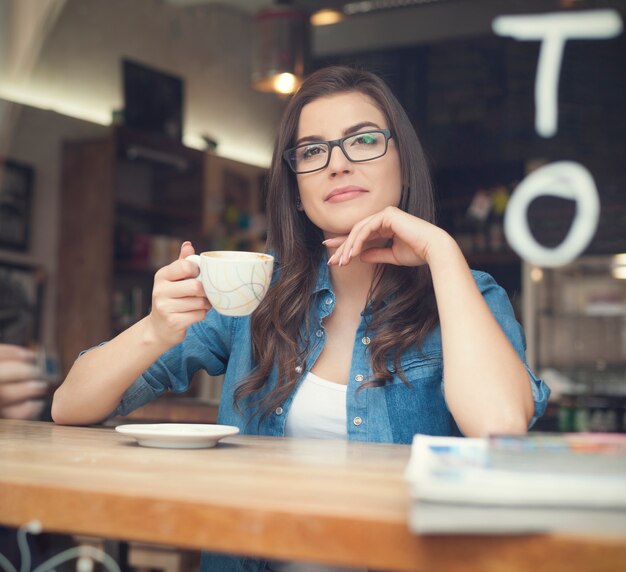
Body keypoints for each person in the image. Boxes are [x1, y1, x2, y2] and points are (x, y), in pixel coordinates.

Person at [52, 66, 550, 571]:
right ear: (295, 187)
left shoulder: (468, 294)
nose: (337, 164)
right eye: (313, 151)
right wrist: (157, 328)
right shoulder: (255, 295)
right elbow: (70, 406)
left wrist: (441, 252)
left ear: (403, 163)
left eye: (363, 140)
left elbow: (499, 426)